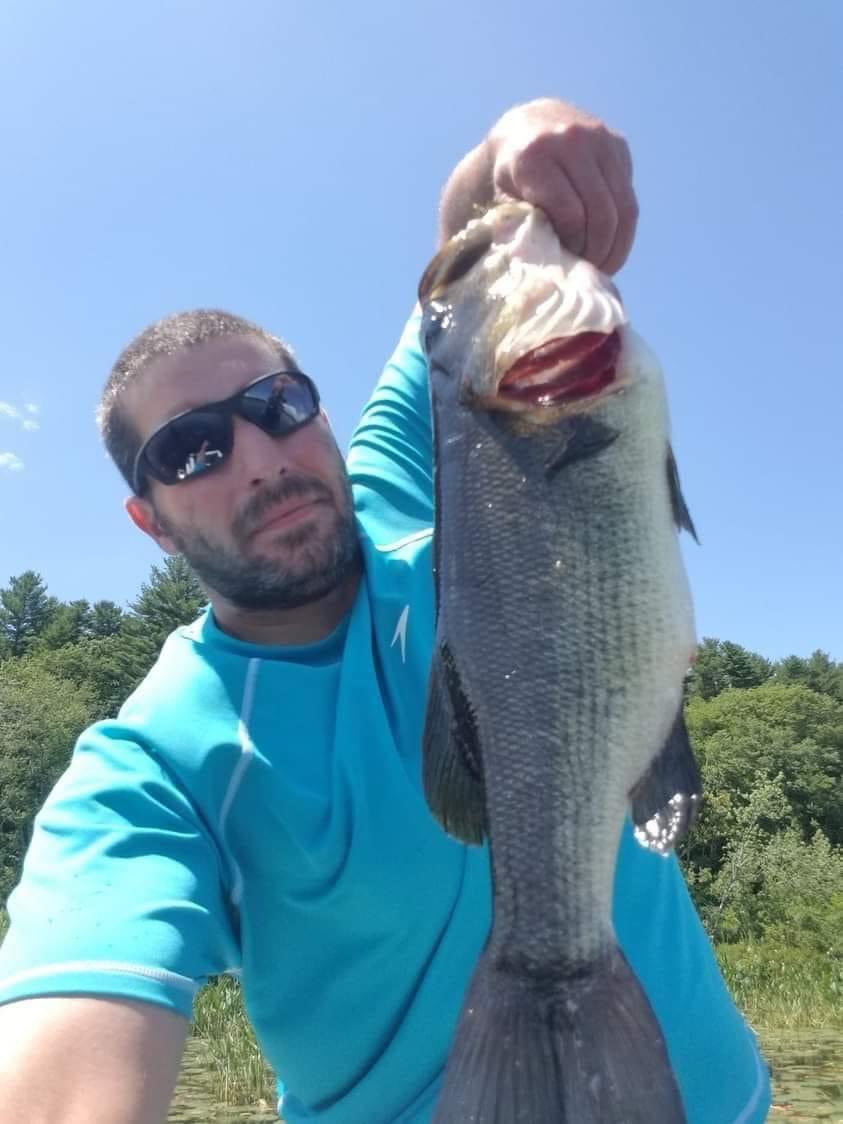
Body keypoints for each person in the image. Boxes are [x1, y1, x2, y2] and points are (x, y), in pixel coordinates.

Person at [0, 98, 770, 1124]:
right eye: (193, 449)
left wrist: (524, 136)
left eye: (278, 406)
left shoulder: (422, 474)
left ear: (319, 413)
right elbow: (66, 1050)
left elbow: (472, 248)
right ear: (151, 520)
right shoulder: (151, 767)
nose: (263, 459)